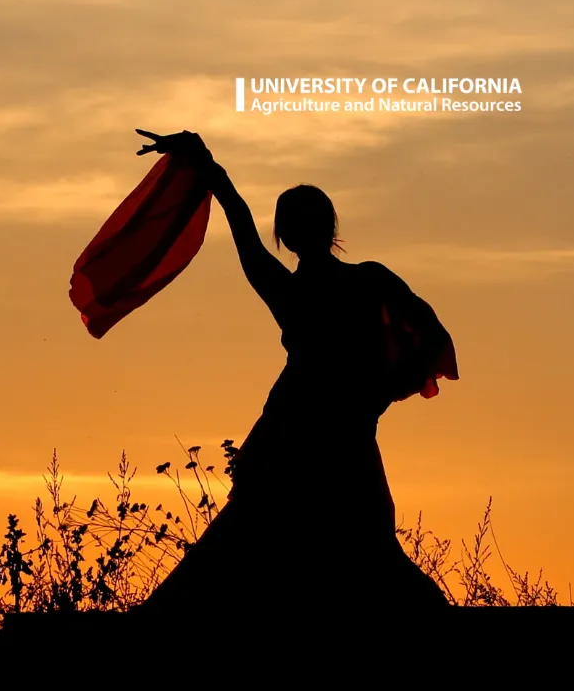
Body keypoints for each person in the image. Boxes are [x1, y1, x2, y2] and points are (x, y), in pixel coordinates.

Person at [132, 129, 455, 616]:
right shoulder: (367, 280)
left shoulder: (290, 288)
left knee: (259, 542)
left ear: (284, 235)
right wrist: (376, 394)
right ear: (330, 228)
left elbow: (239, 220)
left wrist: (206, 163)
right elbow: (432, 340)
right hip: (321, 430)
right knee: (357, 549)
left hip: (298, 427)